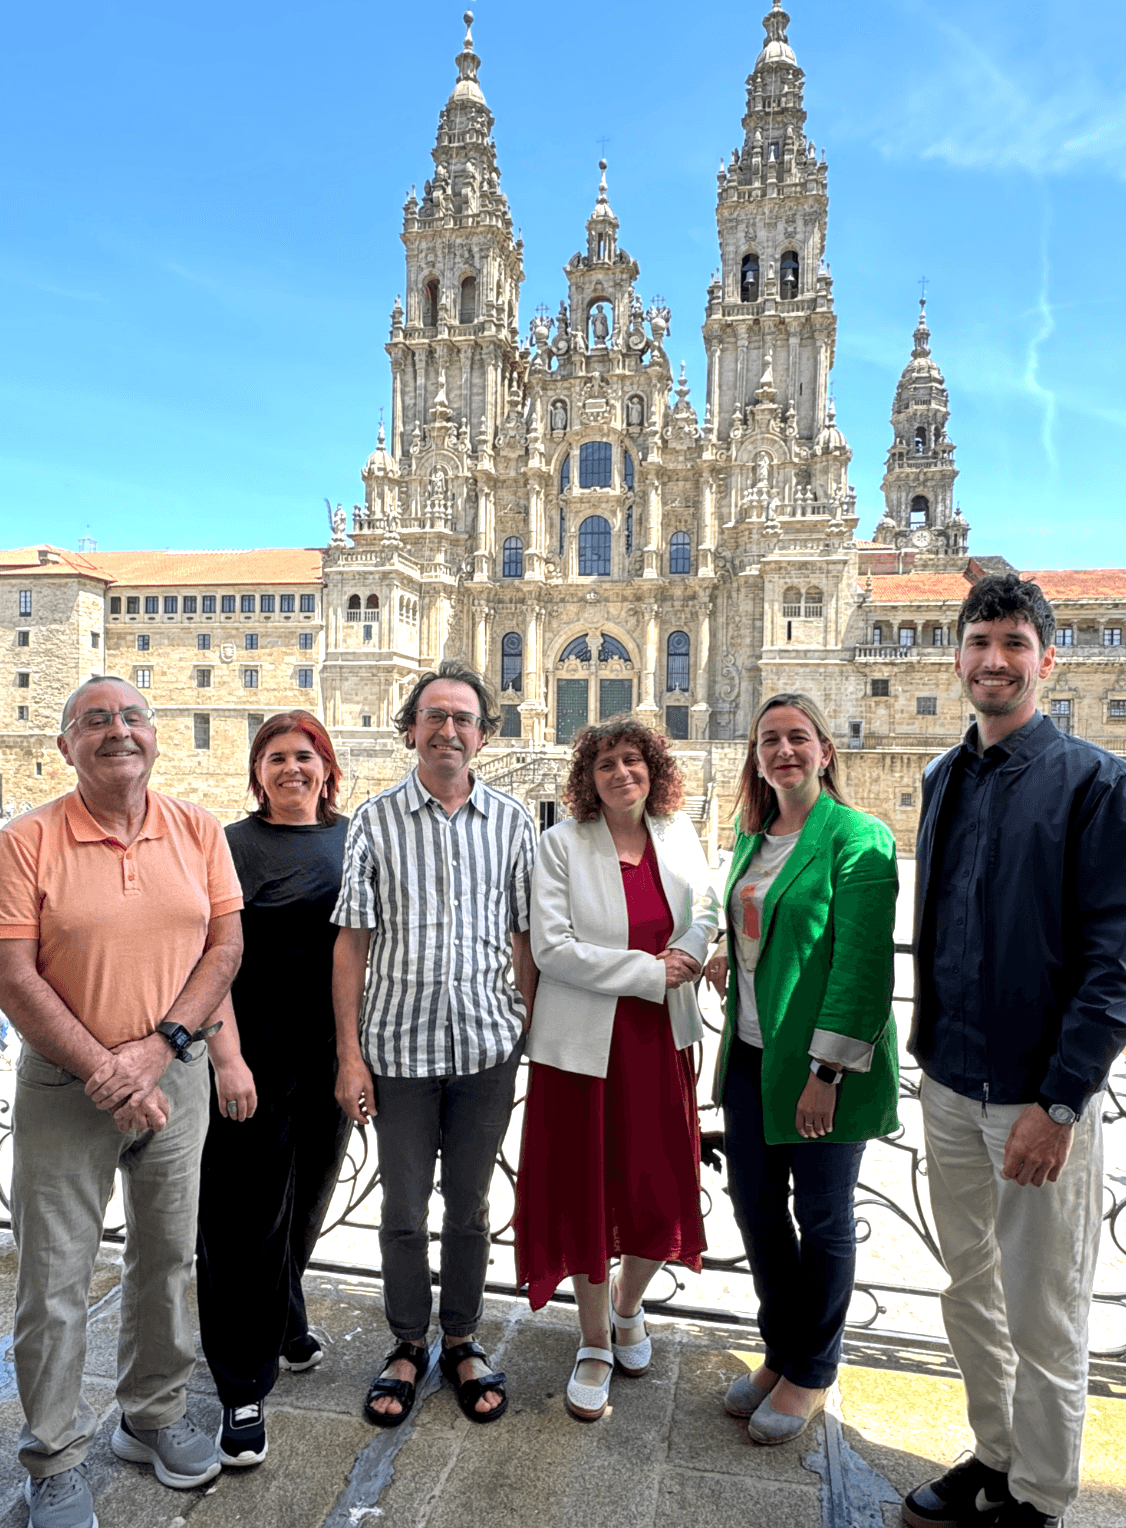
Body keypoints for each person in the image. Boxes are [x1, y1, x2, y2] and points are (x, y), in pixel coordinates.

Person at [903, 574, 1126, 1528]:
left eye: (1014, 645)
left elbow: (1115, 960)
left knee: (1045, 1310)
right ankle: (995, 1454)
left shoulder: (1096, 782)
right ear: (958, 656)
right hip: (950, 1083)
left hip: (1037, 1099)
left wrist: (1063, 1101)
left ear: (1048, 659)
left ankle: (1039, 1495)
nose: (994, 661)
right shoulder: (941, 778)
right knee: (970, 1291)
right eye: (980, 643)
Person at [0, 677, 243, 1528]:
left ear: (156, 734)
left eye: (133, 716)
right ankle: (54, 1457)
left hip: (175, 1074)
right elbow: (12, 976)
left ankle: (153, 1415)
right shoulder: (26, 840)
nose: (119, 731)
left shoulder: (198, 828)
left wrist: (158, 1049)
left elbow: (224, 949)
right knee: (54, 1277)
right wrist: (107, 1068)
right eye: (95, 720)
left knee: (167, 1258)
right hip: (67, 1087)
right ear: (65, 745)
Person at [332, 660, 537, 1429]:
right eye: (435, 716)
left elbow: (525, 935)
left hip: (487, 1046)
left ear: (483, 735)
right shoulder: (374, 820)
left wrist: (526, 1028)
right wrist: (349, 1055)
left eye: (463, 719)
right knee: (404, 1207)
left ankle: (461, 1338)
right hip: (398, 1049)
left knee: (472, 1206)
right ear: (412, 728)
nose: (448, 730)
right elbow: (352, 942)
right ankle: (407, 1342)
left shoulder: (514, 821)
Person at [706, 692, 898, 1445]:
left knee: (821, 1218)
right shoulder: (752, 836)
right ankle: (782, 1351)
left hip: (821, 1068)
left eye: (796, 737)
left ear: (825, 749)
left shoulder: (858, 837)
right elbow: (759, 922)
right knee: (755, 1208)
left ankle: (813, 1370)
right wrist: (729, 952)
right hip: (752, 1057)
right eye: (769, 741)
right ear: (756, 758)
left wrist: (828, 1073)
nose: (783, 751)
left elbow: (861, 965)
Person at [516, 718, 718, 1422]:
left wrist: (692, 951)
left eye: (633, 759)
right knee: (585, 1190)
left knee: (657, 1185)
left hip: (660, 1038)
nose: (621, 773)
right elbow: (552, 948)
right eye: (606, 763)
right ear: (588, 778)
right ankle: (594, 1339)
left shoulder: (678, 832)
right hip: (582, 1049)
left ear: (652, 767)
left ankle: (629, 1307)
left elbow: (708, 906)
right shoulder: (561, 844)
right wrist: (651, 972)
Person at [195, 711, 352, 1468]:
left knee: (308, 1201)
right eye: (277, 757)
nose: (293, 768)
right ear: (257, 772)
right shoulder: (229, 846)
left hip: (330, 1057)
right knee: (243, 1221)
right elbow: (208, 958)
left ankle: (284, 1318)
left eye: (305, 755)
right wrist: (227, 1057)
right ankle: (241, 1385)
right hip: (249, 1059)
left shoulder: (355, 838)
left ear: (327, 767)